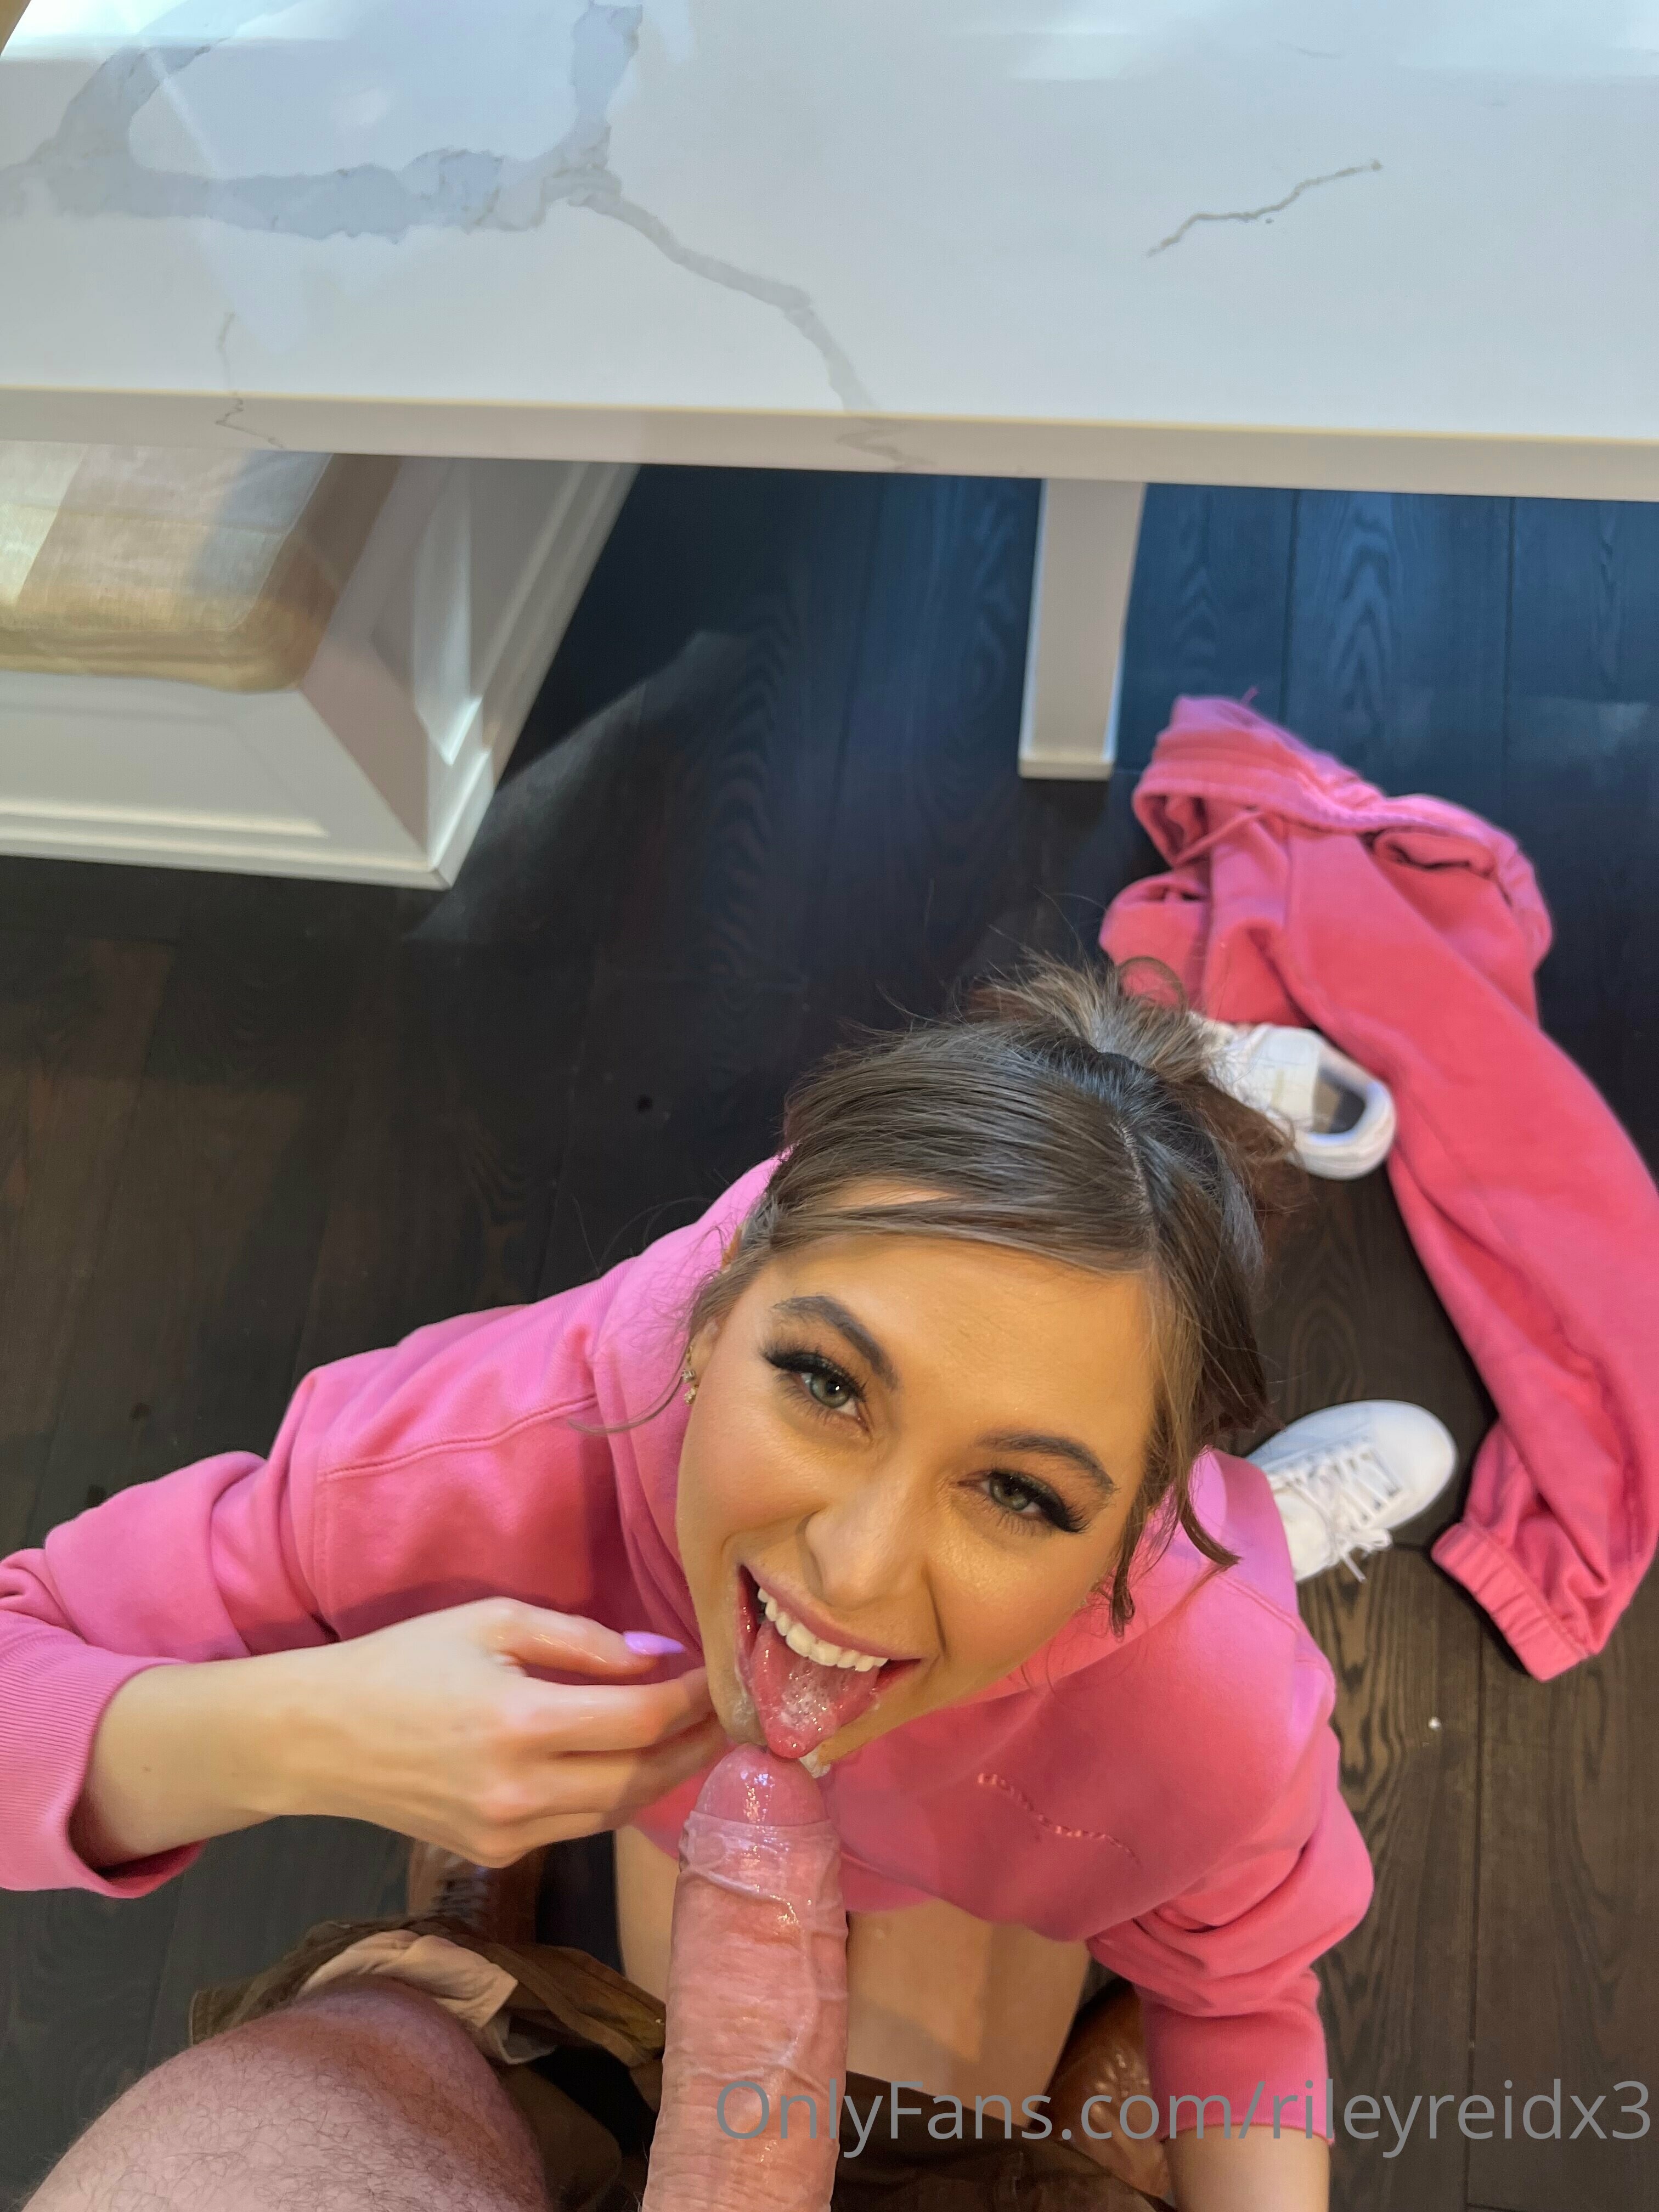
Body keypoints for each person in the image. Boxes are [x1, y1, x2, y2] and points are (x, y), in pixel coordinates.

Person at [2, 957, 1372, 2211]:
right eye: (826, 1382)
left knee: (909, 2119)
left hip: (994, 1841)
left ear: (1129, 1541)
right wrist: (317, 1731)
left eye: (1020, 1492)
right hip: (683, 1817)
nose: (852, 1570)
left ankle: (1249, 1525)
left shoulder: (1211, 1711)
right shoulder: (474, 1459)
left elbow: (1246, 1994)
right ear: (715, 1322)